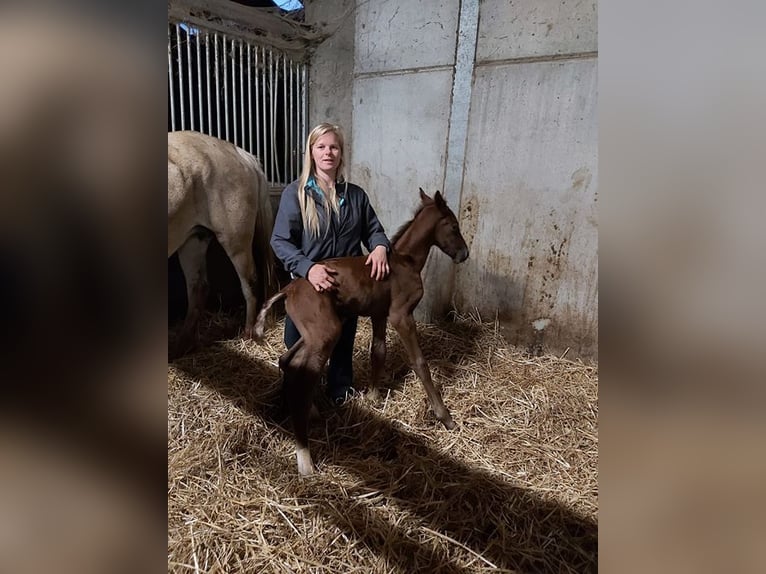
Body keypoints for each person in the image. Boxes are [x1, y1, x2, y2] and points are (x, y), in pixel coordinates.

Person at [270, 123, 391, 404]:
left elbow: (373, 230)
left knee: (344, 338)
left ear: (341, 153)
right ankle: (300, 396)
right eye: (321, 147)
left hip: (345, 285)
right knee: (299, 342)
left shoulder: (356, 195)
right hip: (309, 284)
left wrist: (381, 246)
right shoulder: (296, 194)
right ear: (311, 153)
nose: (328, 152)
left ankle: (340, 390)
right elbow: (280, 241)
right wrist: (307, 267)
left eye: (333, 147)